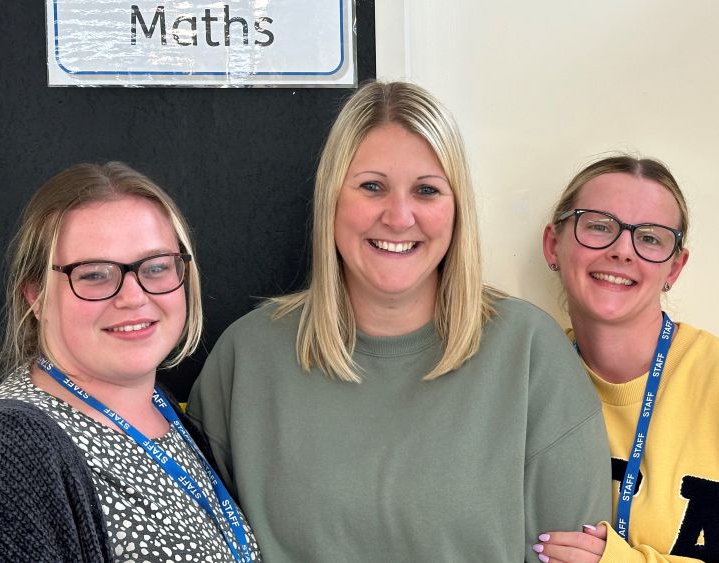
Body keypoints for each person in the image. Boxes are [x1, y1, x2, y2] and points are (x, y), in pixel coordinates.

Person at [187, 80, 611, 562]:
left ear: (457, 211)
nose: (399, 216)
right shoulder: (248, 357)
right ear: (331, 199)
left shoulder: (530, 351)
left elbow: (571, 554)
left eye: (427, 191)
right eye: (372, 187)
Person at [0, 162, 261, 562]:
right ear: (36, 297)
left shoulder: (168, 414)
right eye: (93, 275)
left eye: (156, 267)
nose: (132, 296)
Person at [538, 155, 719, 562]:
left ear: (675, 266)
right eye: (599, 226)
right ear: (553, 244)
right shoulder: (525, 382)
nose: (622, 251)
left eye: (651, 238)